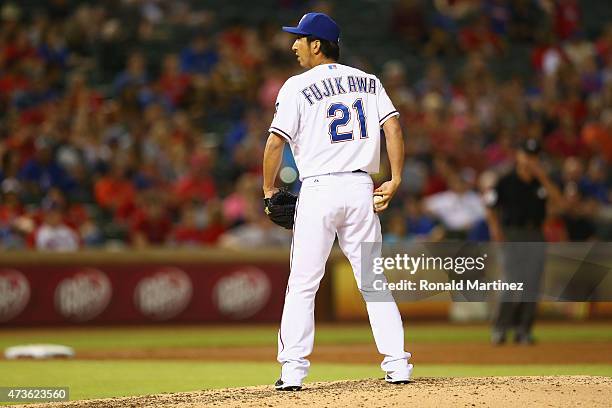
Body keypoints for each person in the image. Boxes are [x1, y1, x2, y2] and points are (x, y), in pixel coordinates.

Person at [262, 12, 412, 391]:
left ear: (317, 44)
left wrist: (267, 192)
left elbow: (275, 142)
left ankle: (293, 372)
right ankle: (398, 365)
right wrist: (395, 179)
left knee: (303, 284)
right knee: (373, 282)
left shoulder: (297, 86)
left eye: (300, 38)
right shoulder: (368, 80)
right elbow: (392, 126)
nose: (294, 44)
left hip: (318, 190)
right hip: (361, 189)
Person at [484, 138, 563, 345]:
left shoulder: (542, 182)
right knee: (511, 282)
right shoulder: (506, 180)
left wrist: (543, 177)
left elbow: (559, 202)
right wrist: (496, 230)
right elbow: (490, 205)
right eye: (527, 155)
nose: (530, 160)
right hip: (512, 234)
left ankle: (523, 330)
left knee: (532, 285)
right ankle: (500, 329)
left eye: (534, 156)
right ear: (519, 156)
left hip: (535, 234)